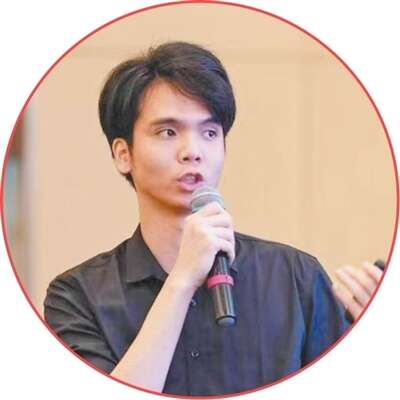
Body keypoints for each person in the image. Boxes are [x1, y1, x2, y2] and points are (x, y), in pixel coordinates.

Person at [44, 42, 350, 396]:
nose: (193, 152)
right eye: (168, 132)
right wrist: (182, 279)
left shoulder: (295, 277)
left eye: (209, 133)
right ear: (123, 154)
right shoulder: (77, 297)